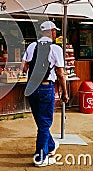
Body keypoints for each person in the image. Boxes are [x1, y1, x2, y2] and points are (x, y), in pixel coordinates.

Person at [21, 21, 68, 167]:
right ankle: (40, 157)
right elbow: (60, 73)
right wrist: (64, 92)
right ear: (52, 32)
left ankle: (51, 146)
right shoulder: (56, 48)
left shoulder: (31, 46)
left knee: (41, 121)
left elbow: (24, 67)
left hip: (31, 88)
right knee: (45, 123)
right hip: (45, 87)